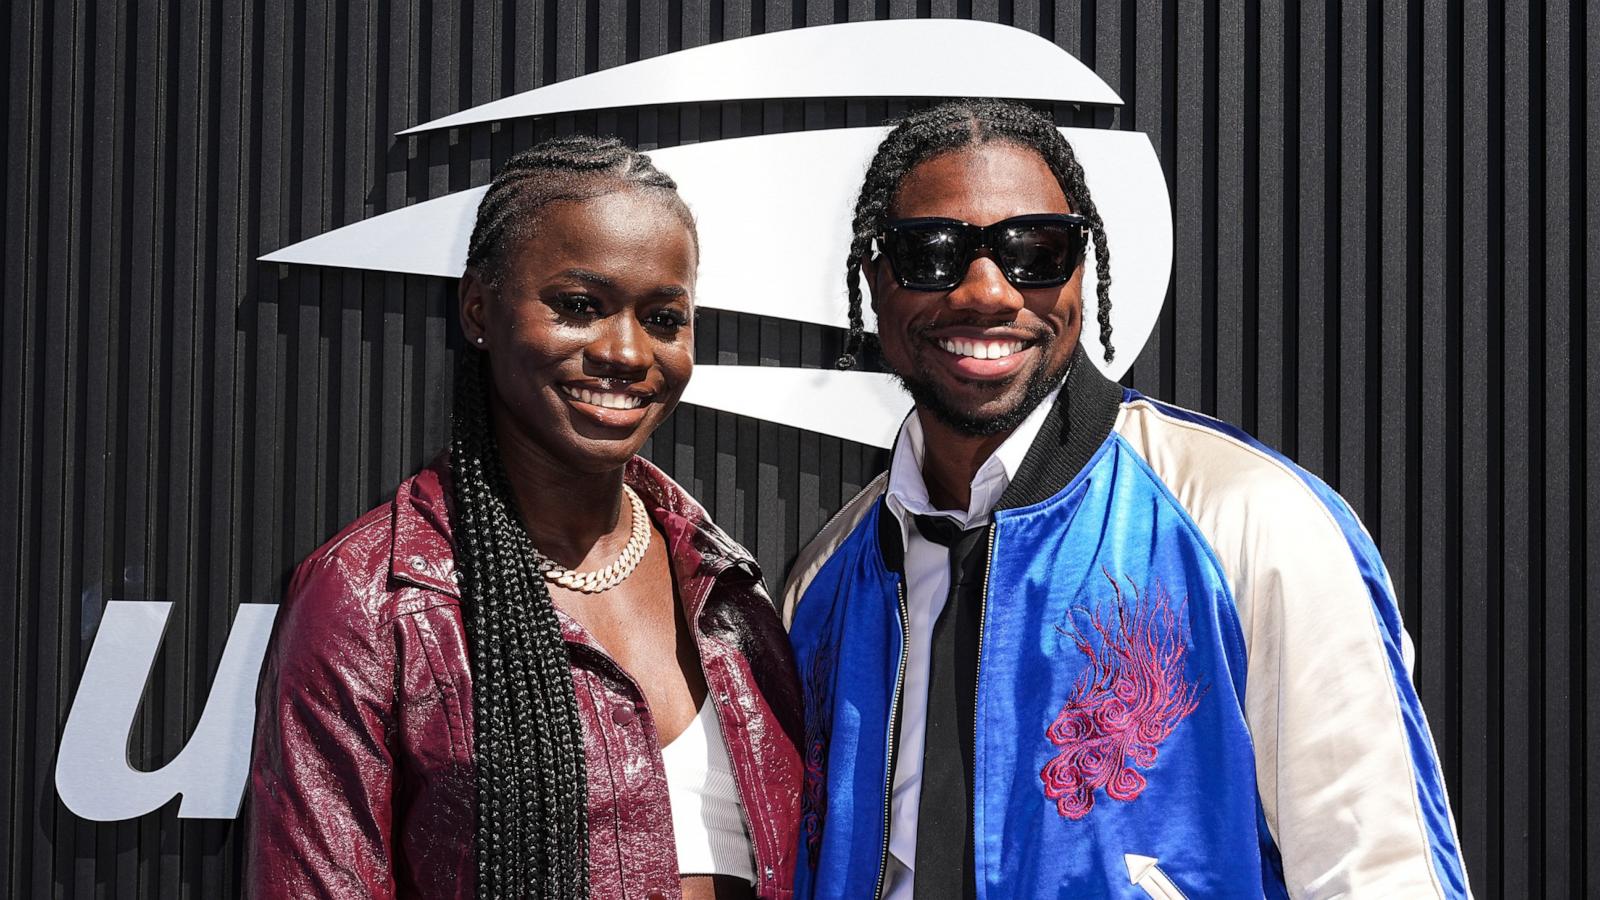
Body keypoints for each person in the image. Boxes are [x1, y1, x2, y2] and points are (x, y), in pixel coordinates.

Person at [783, 100, 1470, 898]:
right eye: (930, 253)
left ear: (1082, 272)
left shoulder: (1249, 519)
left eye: (1035, 250)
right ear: (875, 281)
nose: (986, 292)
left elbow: (1378, 870)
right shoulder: (827, 581)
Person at [248, 135, 803, 899]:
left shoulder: (724, 589)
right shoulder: (374, 599)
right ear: (479, 309)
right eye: (580, 306)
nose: (627, 351)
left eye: (665, 317)